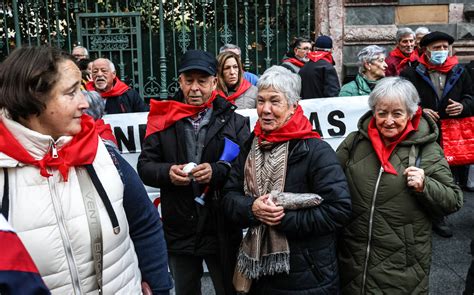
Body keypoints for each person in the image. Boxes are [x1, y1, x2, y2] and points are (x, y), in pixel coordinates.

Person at [0, 46, 173, 294]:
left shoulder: (104, 154)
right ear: (33, 96)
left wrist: (159, 287)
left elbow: (145, 224)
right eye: (71, 93)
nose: (85, 102)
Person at [222, 66, 351, 294]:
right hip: (259, 276)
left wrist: (281, 219)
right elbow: (229, 197)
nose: (265, 109)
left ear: (293, 106)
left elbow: (338, 210)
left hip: (308, 277)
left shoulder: (316, 151)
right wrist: (252, 208)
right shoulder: (249, 147)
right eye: (260, 101)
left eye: (275, 101)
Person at [138, 49, 250, 295]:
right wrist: (168, 172)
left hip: (220, 226)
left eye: (202, 81)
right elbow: (145, 166)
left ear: (214, 82)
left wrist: (218, 171)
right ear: (180, 81)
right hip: (179, 227)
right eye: (189, 81)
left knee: (228, 289)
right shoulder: (162, 119)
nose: (195, 88)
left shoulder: (235, 122)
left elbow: (246, 167)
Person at [336, 77, 463, 294]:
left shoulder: (427, 150)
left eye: (397, 113)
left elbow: (453, 200)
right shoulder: (355, 142)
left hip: (401, 267)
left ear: (412, 113)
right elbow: (330, 180)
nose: (388, 121)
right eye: (382, 113)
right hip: (352, 259)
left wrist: (426, 186)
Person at [400, 31, 474, 237]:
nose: (442, 51)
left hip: (454, 133)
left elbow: (471, 96)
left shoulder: (460, 71)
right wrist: (419, 110)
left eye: (445, 47)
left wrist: (463, 106)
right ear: (425, 50)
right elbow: (404, 100)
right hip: (424, 132)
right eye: (437, 48)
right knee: (428, 172)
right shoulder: (410, 73)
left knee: (450, 175)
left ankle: (443, 207)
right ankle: (435, 216)